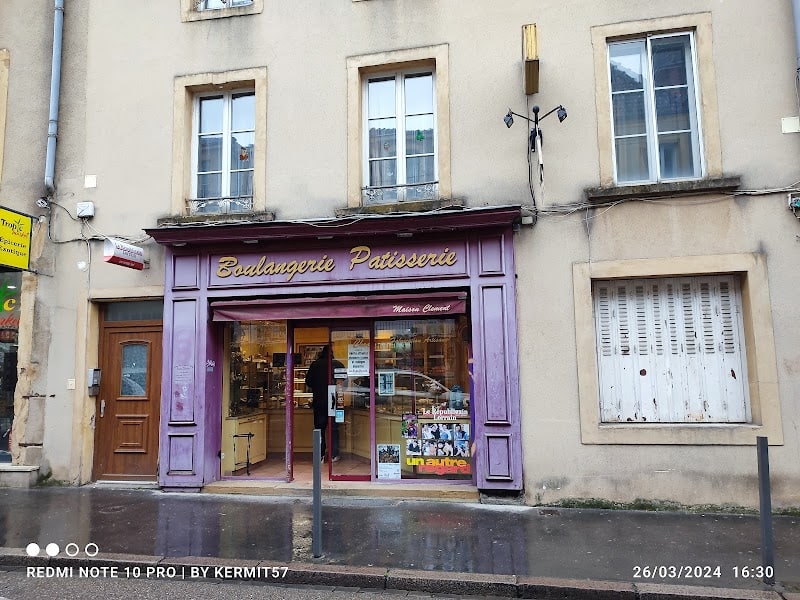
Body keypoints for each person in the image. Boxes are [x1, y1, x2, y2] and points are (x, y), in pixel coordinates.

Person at [305, 346, 343, 462]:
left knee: (319, 429)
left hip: (319, 402)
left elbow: (308, 382)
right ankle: (333, 455)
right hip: (334, 401)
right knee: (334, 429)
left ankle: (320, 455)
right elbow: (342, 385)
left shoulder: (315, 365)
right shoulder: (338, 364)